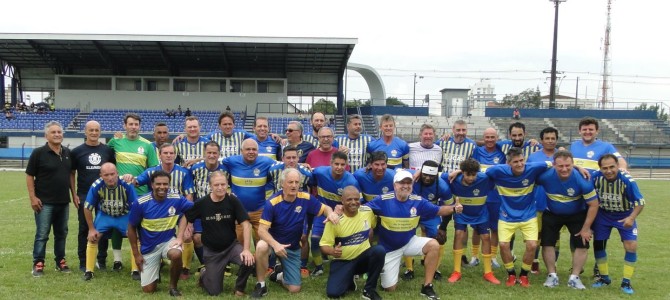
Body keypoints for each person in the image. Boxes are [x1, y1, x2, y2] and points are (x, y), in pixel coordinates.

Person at [364, 170, 462, 300]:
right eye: (401, 183)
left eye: (408, 183)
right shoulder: (382, 200)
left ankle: (427, 286)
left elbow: (438, 210)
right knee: (390, 288)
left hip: (409, 242)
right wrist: (340, 209)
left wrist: (454, 208)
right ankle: (387, 269)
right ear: (394, 185)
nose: (405, 186)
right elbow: (362, 209)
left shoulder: (418, 201)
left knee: (434, 245)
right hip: (389, 249)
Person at [250, 168, 339, 298]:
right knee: (261, 246)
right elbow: (261, 230)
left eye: (297, 182)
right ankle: (261, 285)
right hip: (273, 245)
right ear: (282, 184)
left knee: (294, 288)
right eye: (290, 182)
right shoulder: (272, 203)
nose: (294, 185)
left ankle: (278, 275)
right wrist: (275, 245)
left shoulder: (305, 198)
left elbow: (325, 208)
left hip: (291, 247)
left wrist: (331, 213)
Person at [569, 117, 627, 278]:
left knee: (598, 235)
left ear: (597, 131)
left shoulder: (605, 146)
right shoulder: (574, 146)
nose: (587, 132)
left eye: (591, 129)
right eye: (585, 129)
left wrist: (622, 170)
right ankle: (576, 266)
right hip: (577, 198)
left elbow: (620, 161)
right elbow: (567, 163)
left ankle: (597, 267)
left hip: (597, 199)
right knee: (576, 232)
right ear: (580, 131)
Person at [184, 171, 255, 296]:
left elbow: (246, 224)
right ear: (210, 186)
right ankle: (204, 274)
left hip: (231, 246)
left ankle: (239, 288)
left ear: (227, 184)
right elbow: (186, 216)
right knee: (214, 292)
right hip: (212, 252)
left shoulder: (232, 200)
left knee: (249, 261)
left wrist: (246, 249)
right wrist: (184, 232)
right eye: (216, 185)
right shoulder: (202, 203)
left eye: (223, 184)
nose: (220, 187)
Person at [536, 150, 598, 290]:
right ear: (553, 165)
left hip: (577, 214)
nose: (564, 169)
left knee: (582, 244)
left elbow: (594, 205)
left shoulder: (583, 180)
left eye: (568, 166)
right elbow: (527, 173)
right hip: (552, 213)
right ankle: (552, 275)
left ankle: (574, 278)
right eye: (560, 166)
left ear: (573, 164)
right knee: (547, 243)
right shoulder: (545, 176)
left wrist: (586, 228)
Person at [134, 143, 196, 279]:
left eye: (171, 153)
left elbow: (189, 196)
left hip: (179, 211)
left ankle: (184, 268)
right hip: (158, 212)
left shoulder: (184, 172)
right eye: (165, 153)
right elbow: (136, 182)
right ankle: (150, 262)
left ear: (175, 155)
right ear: (160, 155)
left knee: (187, 236)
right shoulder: (151, 172)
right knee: (145, 234)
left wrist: (189, 221)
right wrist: (128, 177)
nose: (168, 155)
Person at [127, 170, 193, 296]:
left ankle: (173, 287)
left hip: (168, 241)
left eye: (165, 184)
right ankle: (157, 265)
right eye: (158, 184)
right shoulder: (141, 203)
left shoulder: (176, 198)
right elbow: (131, 228)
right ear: (152, 185)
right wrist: (136, 254)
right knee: (149, 290)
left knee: (176, 253)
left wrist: (180, 237)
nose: (162, 187)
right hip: (149, 248)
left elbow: (189, 211)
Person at [591, 154, 645, 294]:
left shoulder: (627, 181)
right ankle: (604, 278)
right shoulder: (595, 177)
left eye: (612, 167)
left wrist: (631, 218)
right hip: (603, 215)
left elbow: (640, 202)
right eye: (605, 168)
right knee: (598, 245)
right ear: (600, 168)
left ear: (618, 166)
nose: (609, 171)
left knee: (631, 246)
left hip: (624, 214)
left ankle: (626, 282)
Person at [320, 186, 385, 300]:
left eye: (356, 199)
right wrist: (332, 251)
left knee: (379, 251)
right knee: (333, 293)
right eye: (349, 199)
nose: (353, 202)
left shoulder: (367, 211)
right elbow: (323, 245)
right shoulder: (335, 219)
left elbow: (373, 226)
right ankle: (349, 279)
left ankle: (369, 290)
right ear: (342, 200)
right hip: (343, 261)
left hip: (362, 259)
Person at [26, 121, 73, 277]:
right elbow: (29, 175)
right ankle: (38, 263)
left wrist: (74, 195)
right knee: (42, 234)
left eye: (59, 132)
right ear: (46, 135)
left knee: (62, 233)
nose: (57, 134)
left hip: (63, 202)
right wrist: (33, 197)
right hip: (44, 203)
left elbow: (71, 175)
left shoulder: (67, 153)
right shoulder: (38, 153)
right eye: (53, 132)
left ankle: (60, 261)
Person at [69, 120, 116, 272]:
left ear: (100, 132)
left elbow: (113, 171)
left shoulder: (107, 150)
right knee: (84, 228)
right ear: (85, 132)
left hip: (105, 196)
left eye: (96, 130)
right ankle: (84, 262)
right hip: (84, 195)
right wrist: (74, 193)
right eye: (91, 130)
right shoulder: (76, 152)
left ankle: (101, 260)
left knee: (103, 228)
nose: (94, 133)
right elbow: (72, 173)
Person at [446, 159, 500, 285]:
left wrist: (460, 170)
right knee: (459, 234)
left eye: (474, 175)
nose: (471, 178)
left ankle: (488, 272)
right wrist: (457, 171)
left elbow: (499, 172)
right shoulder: (453, 179)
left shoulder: (484, 178)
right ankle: (456, 271)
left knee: (486, 237)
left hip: (481, 214)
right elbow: (437, 175)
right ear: (463, 173)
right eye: (468, 174)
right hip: (462, 212)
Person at [81, 163, 137, 281]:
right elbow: (87, 207)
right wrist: (91, 229)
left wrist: (133, 227)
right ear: (101, 175)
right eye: (106, 175)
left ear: (117, 173)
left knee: (135, 237)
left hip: (124, 215)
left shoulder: (126, 184)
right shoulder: (97, 185)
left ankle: (135, 269)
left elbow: (135, 207)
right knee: (93, 237)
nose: (110, 177)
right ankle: (89, 271)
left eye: (112, 174)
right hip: (105, 215)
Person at [309, 151, 361, 276]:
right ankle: (318, 266)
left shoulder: (351, 181)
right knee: (315, 239)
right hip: (322, 213)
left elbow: (358, 201)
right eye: (336, 164)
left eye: (342, 164)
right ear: (330, 163)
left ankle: (354, 266)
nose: (339, 167)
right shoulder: (320, 172)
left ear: (346, 165)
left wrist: (343, 207)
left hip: (343, 215)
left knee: (348, 241)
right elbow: (309, 179)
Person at [221, 139, 276, 245]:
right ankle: (244, 261)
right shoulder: (231, 161)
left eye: (254, 149)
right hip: (238, 211)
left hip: (259, 210)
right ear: (241, 151)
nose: (251, 152)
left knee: (262, 243)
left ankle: (260, 261)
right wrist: (198, 160)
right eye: (248, 149)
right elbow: (213, 160)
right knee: (239, 242)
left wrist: (303, 164)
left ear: (258, 151)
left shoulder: (266, 162)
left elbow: (285, 164)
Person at [405, 160, 454, 281]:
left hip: (431, 213)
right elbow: (394, 171)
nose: (427, 178)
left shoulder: (442, 186)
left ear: (436, 175)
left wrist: (443, 228)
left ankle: (435, 268)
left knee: (440, 239)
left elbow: (449, 208)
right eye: (425, 174)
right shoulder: (411, 177)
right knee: (405, 235)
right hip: (412, 211)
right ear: (420, 172)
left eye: (431, 176)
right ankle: (409, 269)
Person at [190, 141, 229, 268]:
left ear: (219, 154)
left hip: (220, 209)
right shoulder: (195, 169)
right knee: (197, 238)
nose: (212, 155)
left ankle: (224, 262)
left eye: (214, 153)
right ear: (204, 154)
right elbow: (190, 190)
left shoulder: (225, 170)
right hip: (200, 210)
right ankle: (205, 264)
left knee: (224, 237)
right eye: (209, 153)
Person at [527, 127, 560, 274]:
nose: (550, 141)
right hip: (537, 201)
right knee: (535, 236)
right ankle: (534, 263)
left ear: (557, 140)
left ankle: (553, 265)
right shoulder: (533, 157)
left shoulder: (562, 156)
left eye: (553, 138)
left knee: (555, 237)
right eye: (547, 138)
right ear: (542, 140)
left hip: (557, 204)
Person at [471, 127, 505, 268]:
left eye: (493, 137)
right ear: (483, 138)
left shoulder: (502, 152)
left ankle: (493, 256)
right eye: (487, 137)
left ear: (497, 138)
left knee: (495, 228)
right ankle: (474, 256)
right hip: (479, 195)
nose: (490, 140)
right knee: (477, 227)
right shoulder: (477, 151)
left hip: (496, 196)